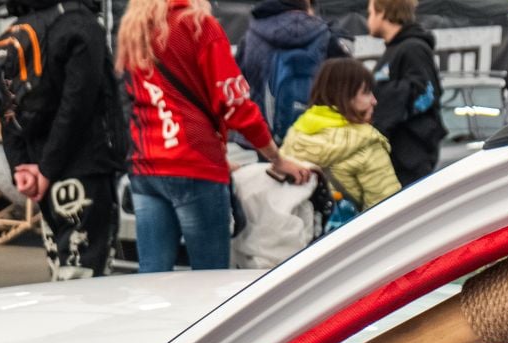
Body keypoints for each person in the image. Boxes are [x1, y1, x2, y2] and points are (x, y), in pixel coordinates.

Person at [118, 0, 310, 272]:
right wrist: (277, 159)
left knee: (151, 277)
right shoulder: (198, 26)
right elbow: (236, 105)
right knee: (210, 277)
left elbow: (141, 101)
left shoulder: (135, 29)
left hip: (146, 166)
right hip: (194, 165)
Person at [0, 0, 125, 280]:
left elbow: (6, 108)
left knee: (61, 265)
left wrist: (22, 165)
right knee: (86, 271)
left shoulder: (15, 32)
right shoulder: (80, 25)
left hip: (40, 172)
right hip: (84, 168)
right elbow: (77, 104)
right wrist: (47, 168)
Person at [281, 58, 399, 212]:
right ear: (345, 95)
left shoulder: (297, 133)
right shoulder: (367, 143)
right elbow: (388, 209)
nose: (374, 101)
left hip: (306, 225)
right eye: (366, 92)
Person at [368, 0, 444, 188]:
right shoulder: (394, 49)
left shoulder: (413, 48)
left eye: (370, 13)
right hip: (395, 158)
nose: (367, 20)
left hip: (410, 158)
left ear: (382, 12)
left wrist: (379, 94)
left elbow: (426, 92)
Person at [240, 0, 342, 138]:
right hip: (318, 134)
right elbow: (346, 83)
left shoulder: (251, 36)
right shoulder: (326, 34)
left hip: (264, 135)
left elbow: (238, 83)